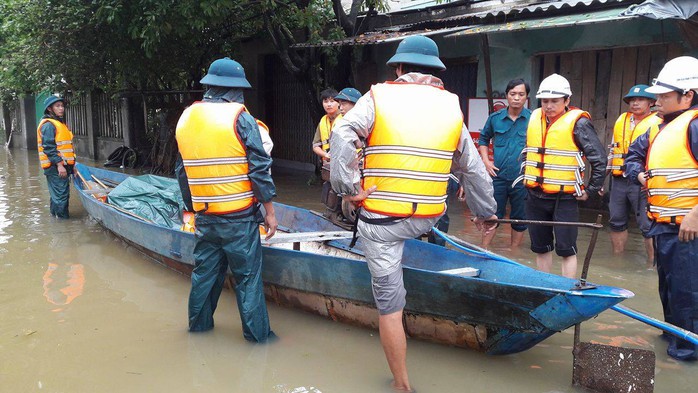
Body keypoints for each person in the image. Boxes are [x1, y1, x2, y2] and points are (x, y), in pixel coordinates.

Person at [329, 35, 497, 392]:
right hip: (429, 216)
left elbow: (343, 132)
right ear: (436, 73)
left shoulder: (378, 96)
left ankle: (402, 383)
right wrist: (486, 213)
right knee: (415, 240)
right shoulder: (451, 105)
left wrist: (348, 189)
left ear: (399, 69)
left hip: (382, 221)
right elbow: (472, 167)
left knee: (389, 305)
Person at [174, 57, 278, 342]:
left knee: (204, 276)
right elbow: (259, 168)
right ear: (232, 90)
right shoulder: (240, 117)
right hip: (240, 218)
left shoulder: (186, 117)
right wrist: (269, 211)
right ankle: (259, 340)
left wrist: (192, 209)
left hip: (206, 218)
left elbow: (182, 172)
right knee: (248, 280)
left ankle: (198, 331)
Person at [625, 56, 698, 361]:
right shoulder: (657, 128)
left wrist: (695, 214)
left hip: (689, 227)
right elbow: (631, 158)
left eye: (664, 96)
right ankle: (672, 334)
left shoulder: (694, 126)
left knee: (688, 290)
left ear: (688, 95)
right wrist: (640, 173)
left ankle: (687, 350)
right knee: (669, 286)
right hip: (663, 224)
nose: (657, 101)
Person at [514, 73, 606, 278]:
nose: (548, 106)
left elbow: (599, 159)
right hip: (534, 194)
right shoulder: (534, 117)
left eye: (554, 101)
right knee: (540, 246)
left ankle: (568, 289)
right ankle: (545, 285)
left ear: (567, 100)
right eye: (545, 101)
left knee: (566, 248)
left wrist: (589, 191)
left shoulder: (579, 124)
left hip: (563, 197)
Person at [607, 85, 661, 264]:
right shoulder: (622, 120)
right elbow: (613, 149)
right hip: (619, 177)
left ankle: (652, 264)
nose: (635, 103)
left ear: (651, 102)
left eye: (640, 99)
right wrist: (603, 177)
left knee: (647, 224)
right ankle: (617, 260)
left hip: (642, 179)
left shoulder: (657, 122)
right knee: (616, 220)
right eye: (632, 100)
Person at [478, 79, 531, 248]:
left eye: (521, 94)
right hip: (497, 176)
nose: (516, 98)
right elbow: (483, 140)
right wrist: (486, 162)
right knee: (492, 214)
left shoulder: (533, 119)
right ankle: (483, 249)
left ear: (526, 97)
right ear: (507, 95)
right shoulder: (495, 118)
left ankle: (514, 252)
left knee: (520, 218)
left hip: (522, 178)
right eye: (513, 94)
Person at [37, 95, 75, 219]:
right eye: (57, 106)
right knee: (62, 196)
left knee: (57, 195)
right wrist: (59, 165)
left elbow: (66, 147)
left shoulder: (59, 123)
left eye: (62, 106)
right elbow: (48, 147)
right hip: (55, 167)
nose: (61, 108)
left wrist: (72, 165)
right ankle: (64, 227)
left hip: (62, 166)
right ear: (50, 109)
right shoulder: (49, 125)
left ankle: (55, 219)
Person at [312, 88, 341, 180]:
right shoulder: (322, 122)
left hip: (344, 164)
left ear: (339, 103)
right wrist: (325, 155)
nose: (329, 104)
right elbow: (315, 146)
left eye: (332, 101)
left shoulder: (346, 119)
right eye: (325, 101)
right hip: (327, 165)